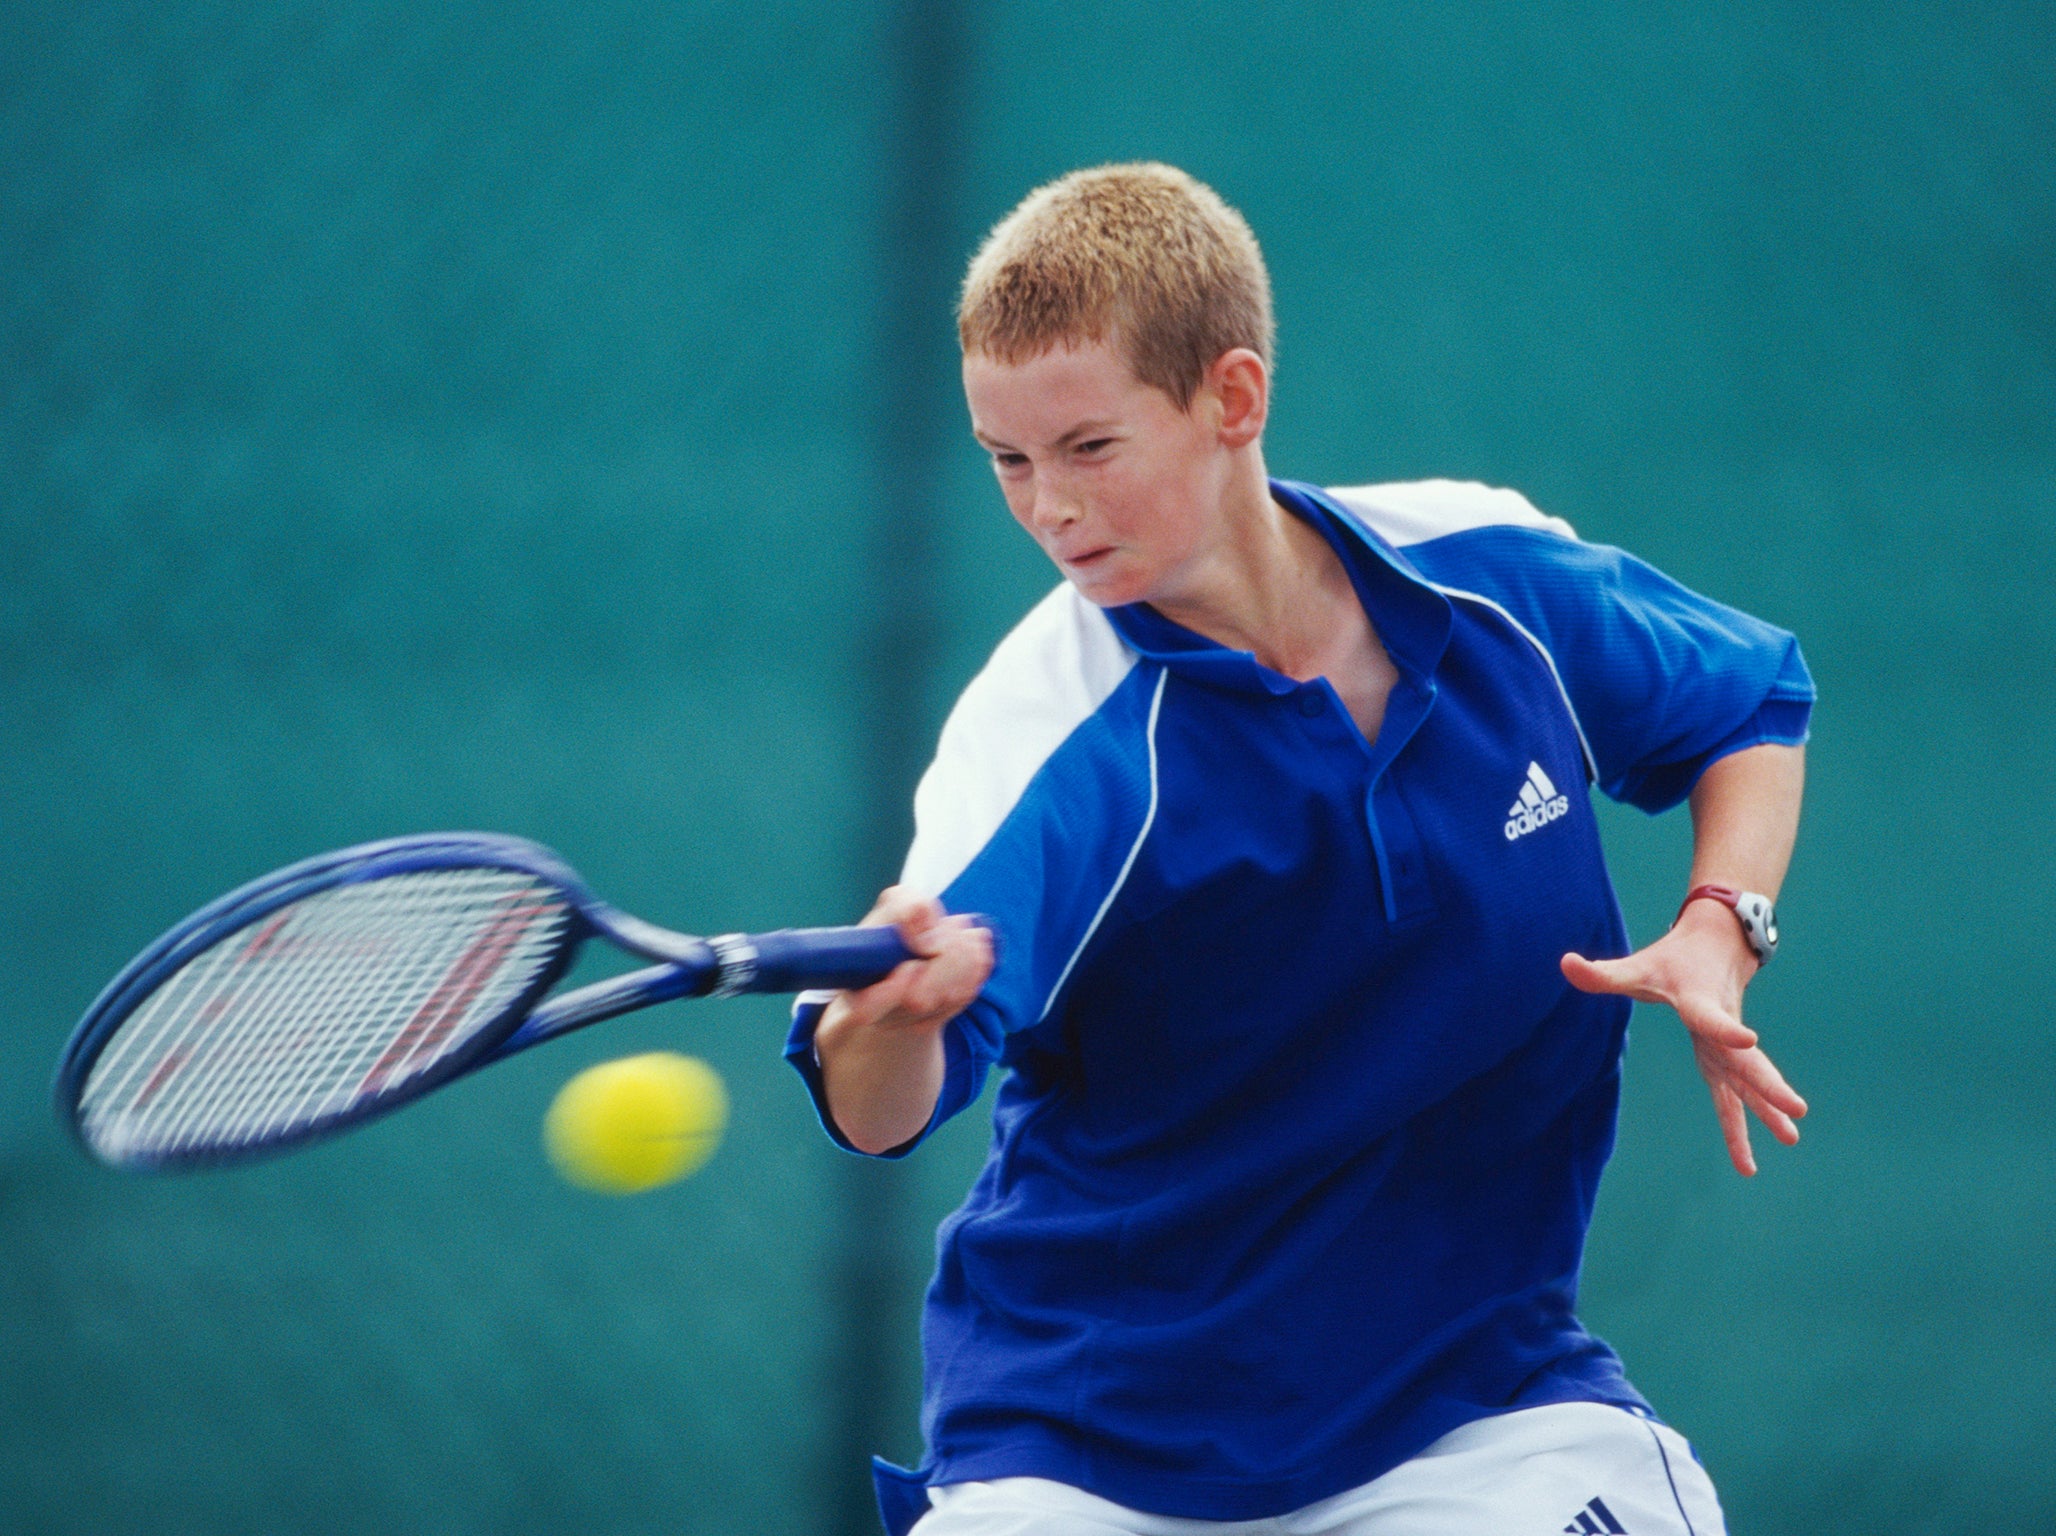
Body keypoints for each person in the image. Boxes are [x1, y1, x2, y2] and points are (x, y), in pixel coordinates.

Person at [784, 163, 1811, 1536]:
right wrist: (891, 1016)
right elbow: (879, 1108)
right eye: (1007, 461)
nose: (1047, 507)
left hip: (1473, 1407)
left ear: (1233, 399)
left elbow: (1746, 703)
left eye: (1090, 447)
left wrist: (1718, 922)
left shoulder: (1482, 575)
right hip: (1090, 1451)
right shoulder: (1048, 745)